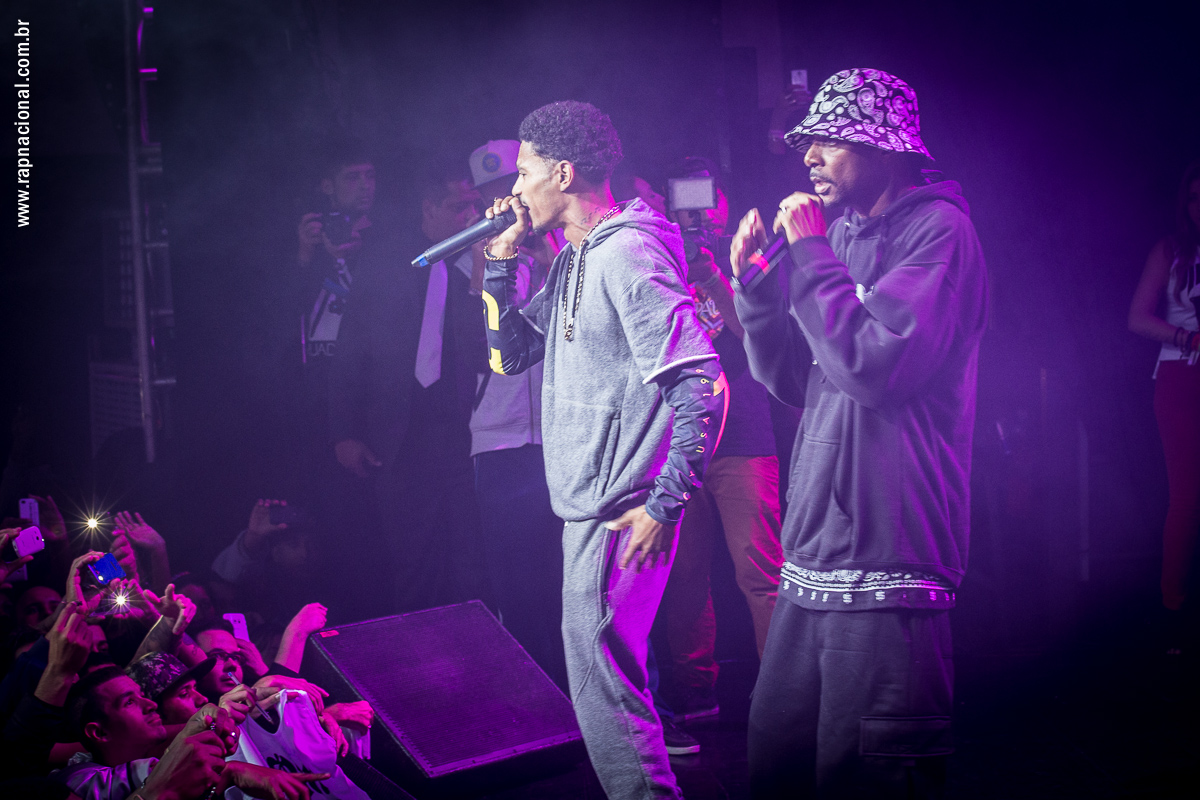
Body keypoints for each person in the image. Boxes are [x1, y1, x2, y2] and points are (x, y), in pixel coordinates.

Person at [731, 68, 988, 797]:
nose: (809, 157)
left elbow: (874, 368)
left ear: (887, 150)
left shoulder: (941, 232)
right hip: (813, 553)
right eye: (806, 142)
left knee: (872, 777)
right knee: (777, 762)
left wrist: (812, 257)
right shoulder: (838, 232)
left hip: (891, 555)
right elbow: (799, 382)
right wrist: (757, 295)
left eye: (831, 141)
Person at [481, 100, 725, 800]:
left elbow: (702, 384)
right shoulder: (577, 256)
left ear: (562, 173)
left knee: (604, 686)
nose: (515, 189)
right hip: (594, 506)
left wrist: (664, 504)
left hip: (621, 509)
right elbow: (508, 358)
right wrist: (501, 263)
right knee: (608, 681)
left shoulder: (626, 253)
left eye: (524, 172)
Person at [655, 158, 784, 721]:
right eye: (684, 199)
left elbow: (757, 336)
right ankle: (693, 691)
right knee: (683, 578)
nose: (697, 211)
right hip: (678, 442)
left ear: (723, 202)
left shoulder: (746, 254)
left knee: (762, 572)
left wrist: (711, 274)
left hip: (744, 439)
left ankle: (784, 692)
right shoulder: (656, 256)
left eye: (706, 197)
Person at [329, 163, 486, 616]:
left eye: (473, 206)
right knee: (412, 567)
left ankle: (473, 651)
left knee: (470, 565)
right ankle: (417, 655)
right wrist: (344, 432)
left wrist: (481, 268)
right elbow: (350, 350)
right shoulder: (388, 266)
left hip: (464, 435)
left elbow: (486, 348)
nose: (469, 216)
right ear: (429, 208)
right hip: (399, 438)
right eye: (458, 206)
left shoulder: (479, 263)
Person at [462, 140, 568, 689]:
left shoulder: (565, 249)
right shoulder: (468, 258)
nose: (506, 200)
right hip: (497, 439)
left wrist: (545, 252)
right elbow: (472, 346)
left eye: (511, 185)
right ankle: (534, 697)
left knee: (567, 576)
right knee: (515, 580)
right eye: (489, 193)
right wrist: (491, 258)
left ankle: (579, 696)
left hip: (560, 435)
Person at [1128, 159, 1200, 652]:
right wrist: (1188, 337)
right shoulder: (1171, 250)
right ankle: (1174, 607)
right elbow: (1136, 317)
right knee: (1186, 497)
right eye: (1194, 198)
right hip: (1181, 375)